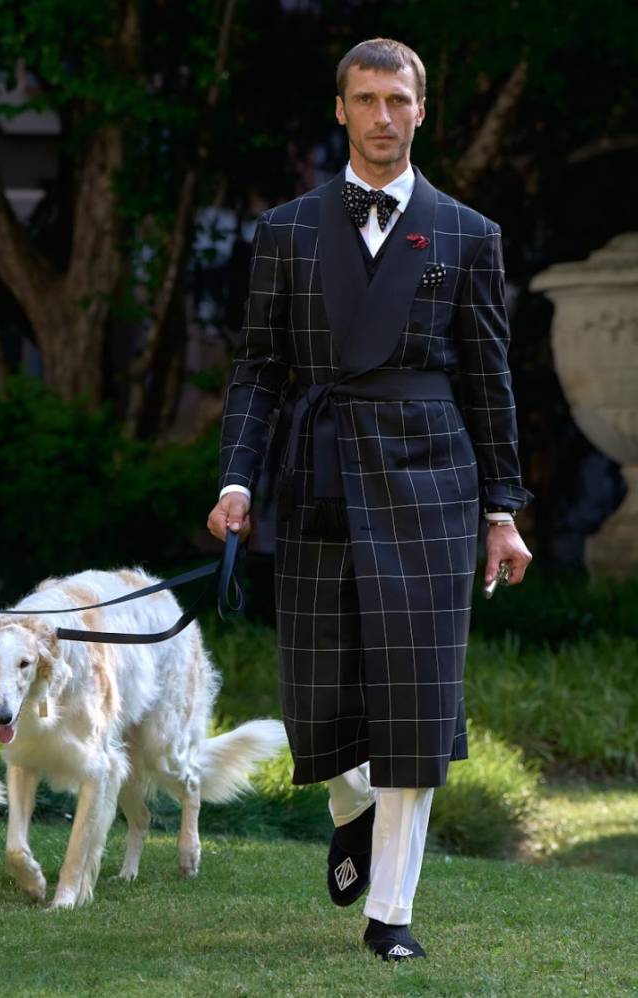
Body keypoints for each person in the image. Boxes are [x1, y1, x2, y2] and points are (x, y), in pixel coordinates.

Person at [207, 37, 533, 961]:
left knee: (415, 700)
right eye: (365, 99)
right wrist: (236, 479)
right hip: (317, 474)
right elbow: (260, 367)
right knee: (314, 697)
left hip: (431, 483)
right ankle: (349, 806)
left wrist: (502, 511)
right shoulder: (286, 229)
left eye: (398, 100)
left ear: (421, 109)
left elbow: (489, 378)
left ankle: (390, 913)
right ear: (340, 108)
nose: (383, 116)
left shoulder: (466, 234)